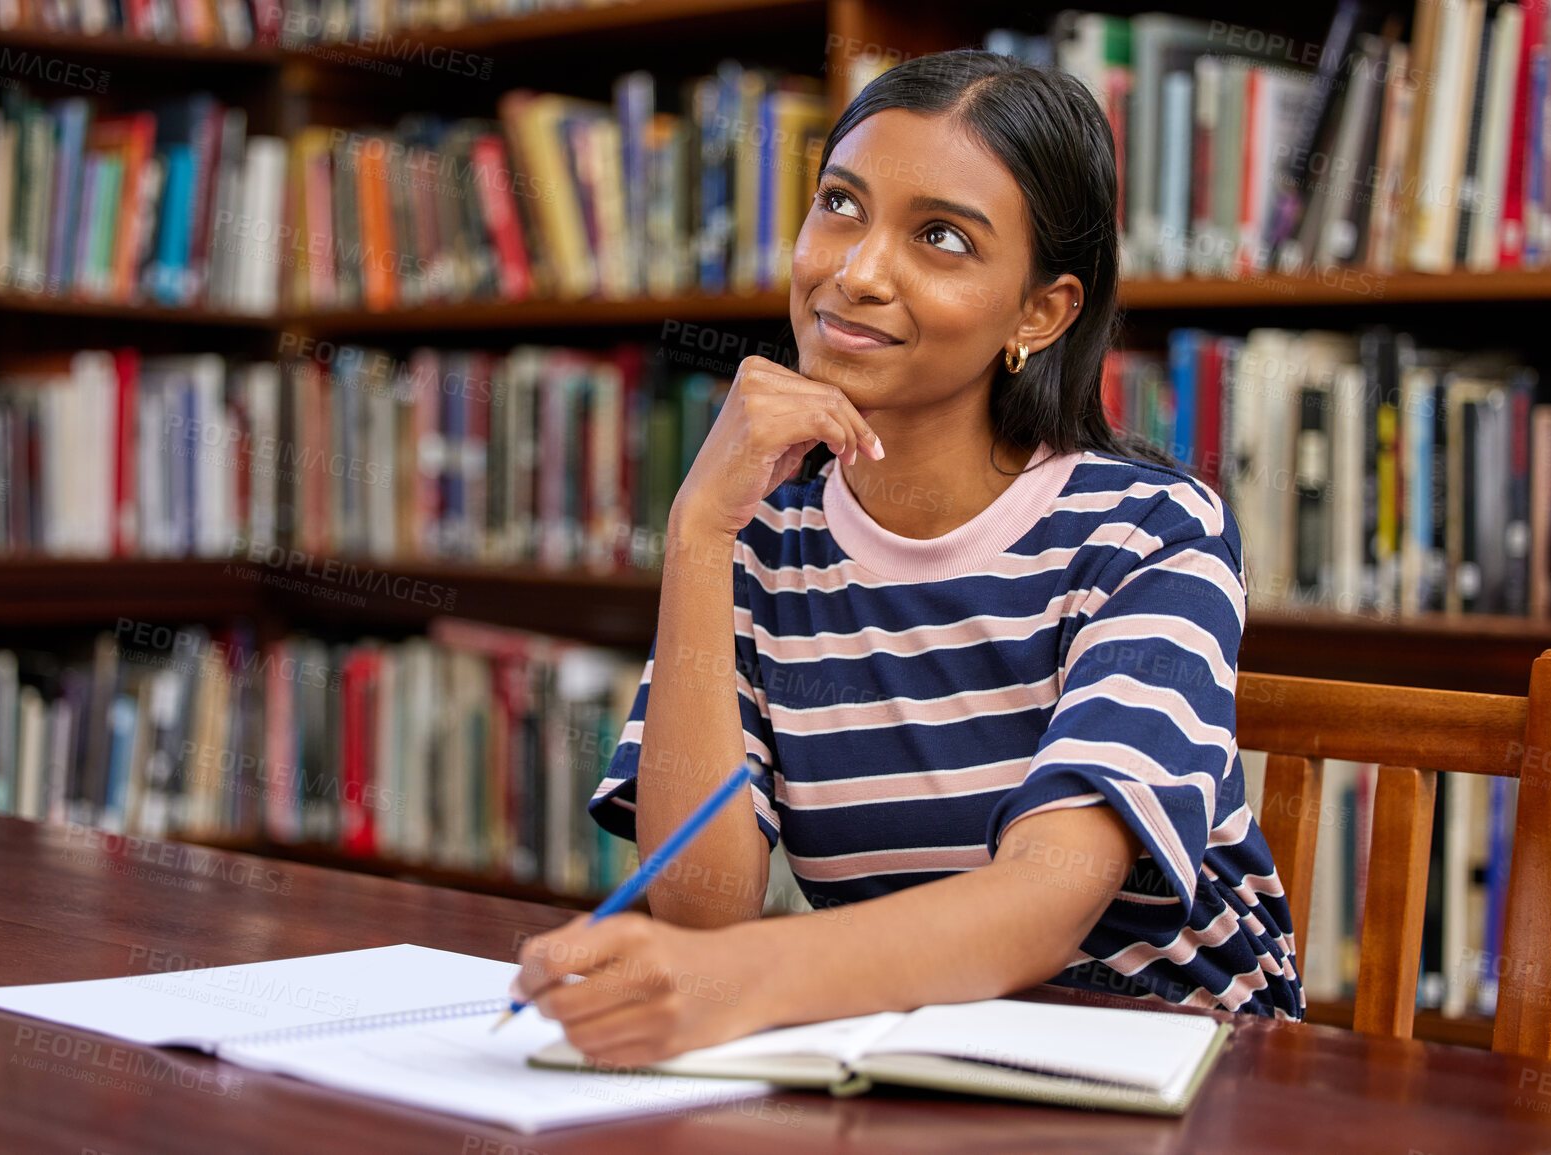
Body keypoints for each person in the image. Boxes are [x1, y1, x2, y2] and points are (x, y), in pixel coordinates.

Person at [510, 49, 1303, 1067]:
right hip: (902, 1059)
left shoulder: (1151, 534)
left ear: (1040, 313)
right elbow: (702, 908)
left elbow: (1046, 902)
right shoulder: (766, 538)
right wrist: (698, 536)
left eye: (941, 237)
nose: (856, 270)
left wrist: (735, 986)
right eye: (840, 203)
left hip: (1174, 1074)